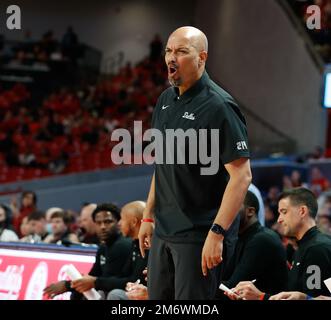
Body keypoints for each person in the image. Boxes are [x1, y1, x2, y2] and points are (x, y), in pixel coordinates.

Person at [138, 26, 252, 300]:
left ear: (202, 57)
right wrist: (148, 215)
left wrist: (217, 233)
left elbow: (242, 176)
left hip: (198, 235)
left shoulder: (219, 106)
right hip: (164, 231)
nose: (171, 58)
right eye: (168, 50)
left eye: (181, 51)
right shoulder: (165, 100)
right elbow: (162, 166)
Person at [227, 188, 331, 300]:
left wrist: (261, 297)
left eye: (284, 212)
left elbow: (313, 298)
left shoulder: (316, 249)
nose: (279, 220)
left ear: (302, 211)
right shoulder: (303, 246)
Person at [43, 203, 132, 299]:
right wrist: (69, 285)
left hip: (127, 290)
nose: (102, 227)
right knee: (79, 293)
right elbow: (94, 275)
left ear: (118, 223)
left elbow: (108, 279)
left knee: (112, 294)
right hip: (108, 288)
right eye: (98, 223)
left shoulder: (124, 245)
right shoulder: (103, 247)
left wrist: (69, 285)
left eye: (108, 222)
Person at [218, 191, 288, 298]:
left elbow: (232, 289)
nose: (224, 212)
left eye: (232, 205)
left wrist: (198, 283)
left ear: (250, 211)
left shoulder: (262, 240)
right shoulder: (239, 237)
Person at [106, 201, 149, 300]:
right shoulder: (134, 244)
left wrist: (96, 281)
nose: (119, 223)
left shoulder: (149, 245)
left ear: (134, 222)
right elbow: (127, 276)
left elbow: (138, 280)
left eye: (122, 219)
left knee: (115, 294)